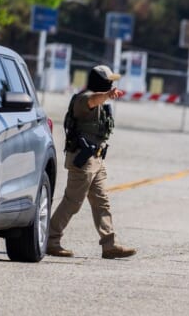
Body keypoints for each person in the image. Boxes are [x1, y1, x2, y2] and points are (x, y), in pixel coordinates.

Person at [47, 65, 137, 259]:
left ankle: (109, 245)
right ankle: (50, 240)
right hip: (83, 160)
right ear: (100, 82)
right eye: (108, 81)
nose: (111, 84)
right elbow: (92, 100)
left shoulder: (101, 101)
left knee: (102, 202)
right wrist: (107, 94)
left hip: (96, 159)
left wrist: (106, 96)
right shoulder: (83, 99)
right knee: (73, 202)